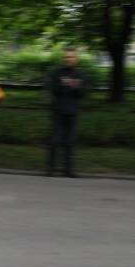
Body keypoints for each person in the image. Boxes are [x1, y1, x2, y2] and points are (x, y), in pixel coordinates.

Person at [46, 47, 88, 177]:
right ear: (63, 59)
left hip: (73, 111)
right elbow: (53, 89)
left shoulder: (81, 75)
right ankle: (51, 169)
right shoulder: (57, 73)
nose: (69, 59)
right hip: (58, 110)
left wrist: (74, 86)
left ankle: (68, 170)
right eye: (67, 57)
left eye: (71, 57)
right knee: (55, 140)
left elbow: (83, 93)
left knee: (70, 141)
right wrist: (64, 84)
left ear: (76, 59)